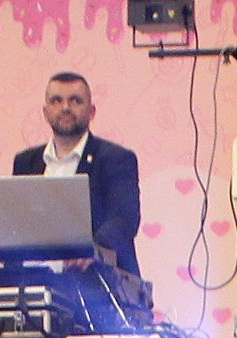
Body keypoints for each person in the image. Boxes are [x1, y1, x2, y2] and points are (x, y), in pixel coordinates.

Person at [11, 72, 141, 278]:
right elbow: (16, 226)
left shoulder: (116, 159)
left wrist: (91, 249)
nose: (65, 108)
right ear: (45, 112)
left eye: (75, 101)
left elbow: (123, 220)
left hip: (99, 284)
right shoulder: (25, 162)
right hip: (36, 283)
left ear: (92, 111)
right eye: (56, 101)